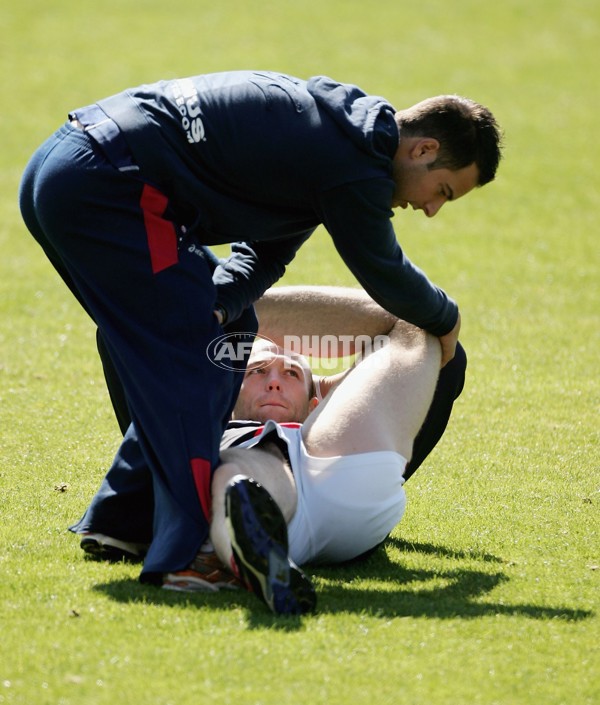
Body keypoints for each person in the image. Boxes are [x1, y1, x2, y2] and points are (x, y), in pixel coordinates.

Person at [19, 70, 501, 588]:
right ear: (424, 149)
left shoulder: (337, 138)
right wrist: (446, 318)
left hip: (64, 169)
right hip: (109, 186)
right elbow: (382, 270)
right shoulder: (353, 164)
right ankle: (183, 557)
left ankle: (119, 521)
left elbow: (265, 250)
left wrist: (223, 302)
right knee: (199, 353)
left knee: (228, 331)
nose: (430, 209)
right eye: (443, 191)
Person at [75, 286, 466, 615]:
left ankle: (234, 538)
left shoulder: (326, 415)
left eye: (292, 374)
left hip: (333, 467)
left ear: (317, 398)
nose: (275, 382)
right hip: (250, 477)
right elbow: (119, 333)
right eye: (257, 372)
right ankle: (248, 542)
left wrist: (212, 309)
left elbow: (437, 355)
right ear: (225, 390)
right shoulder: (203, 423)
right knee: (245, 462)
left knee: (420, 330)